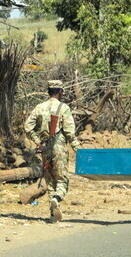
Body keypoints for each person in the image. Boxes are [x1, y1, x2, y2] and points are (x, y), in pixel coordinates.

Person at [24, 80, 81, 222]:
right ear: (60, 92)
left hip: (45, 148)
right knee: (62, 180)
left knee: (50, 181)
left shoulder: (39, 107)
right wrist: (78, 150)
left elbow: (27, 126)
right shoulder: (63, 108)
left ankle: (52, 215)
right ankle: (57, 198)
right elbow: (69, 132)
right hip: (59, 147)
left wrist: (38, 140)